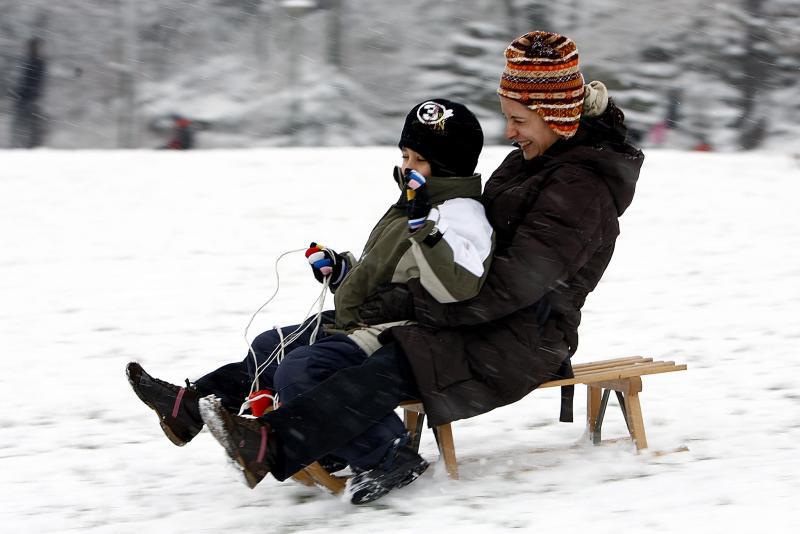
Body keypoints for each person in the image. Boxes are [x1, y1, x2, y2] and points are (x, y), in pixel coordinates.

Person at [133, 30, 644, 504]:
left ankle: (287, 446)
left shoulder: (579, 188)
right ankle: (208, 408)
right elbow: (471, 254)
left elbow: (519, 283)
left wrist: (407, 301)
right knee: (305, 339)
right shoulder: (537, 158)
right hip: (469, 313)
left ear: (556, 117)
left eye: (519, 119)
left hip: (518, 337)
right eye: (507, 115)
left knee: (388, 358)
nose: (508, 132)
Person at [127, 98, 493, 501]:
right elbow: (388, 274)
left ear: (449, 164)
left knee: (302, 369)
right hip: (368, 316)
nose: (407, 165)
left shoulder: (461, 215)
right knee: (271, 345)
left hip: (405, 332)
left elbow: (458, 287)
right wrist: (342, 270)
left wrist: (425, 228)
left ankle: (387, 454)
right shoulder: (411, 205)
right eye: (404, 154)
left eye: (419, 158)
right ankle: (193, 406)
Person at [9, 38, 46, 148]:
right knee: (20, 125)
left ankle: (31, 146)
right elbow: (22, 80)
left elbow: (36, 81)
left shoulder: (37, 62)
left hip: (29, 98)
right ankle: (19, 145)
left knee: (30, 125)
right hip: (23, 98)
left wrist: (32, 95)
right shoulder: (26, 61)